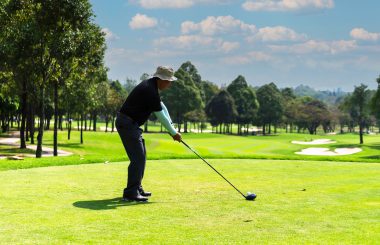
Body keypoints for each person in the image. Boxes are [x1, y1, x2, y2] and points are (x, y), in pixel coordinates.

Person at [116, 66, 182, 202]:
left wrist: (172, 127)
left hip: (131, 124)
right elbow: (160, 117)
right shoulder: (149, 90)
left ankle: (136, 188)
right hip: (127, 123)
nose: (169, 84)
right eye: (169, 81)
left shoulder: (151, 87)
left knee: (142, 155)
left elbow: (163, 108)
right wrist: (173, 133)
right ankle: (130, 193)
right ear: (161, 79)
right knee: (138, 158)